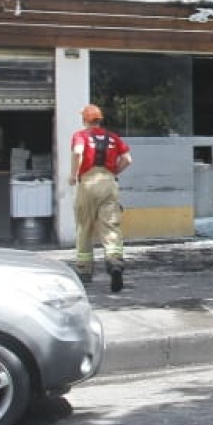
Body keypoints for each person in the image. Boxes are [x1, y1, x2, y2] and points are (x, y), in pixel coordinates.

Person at [69, 104, 132, 293]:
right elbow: (128, 159)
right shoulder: (113, 137)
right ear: (99, 119)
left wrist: (73, 174)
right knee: (110, 226)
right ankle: (114, 262)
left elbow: (78, 151)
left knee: (84, 226)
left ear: (85, 120)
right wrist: (114, 172)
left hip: (88, 182)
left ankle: (84, 270)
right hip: (108, 183)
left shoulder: (81, 136)